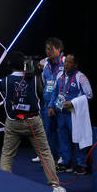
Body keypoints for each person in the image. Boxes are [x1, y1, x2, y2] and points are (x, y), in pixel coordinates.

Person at [0, 58, 60, 187]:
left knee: (7, 154)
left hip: (13, 122)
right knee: (45, 153)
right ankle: (54, 183)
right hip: (33, 122)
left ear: (10, 66)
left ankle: (4, 183)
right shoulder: (35, 79)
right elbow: (42, 94)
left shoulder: (5, 81)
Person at [52, 55, 93, 174]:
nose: (66, 65)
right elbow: (55, 92)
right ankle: (66, 163)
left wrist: (73, 103)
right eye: (65, 62)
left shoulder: (81, 77)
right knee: (63, 139)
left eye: (70, 63)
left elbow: (89, 95)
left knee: (79, 139)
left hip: (74, 114)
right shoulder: (60, 76)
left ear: (76, 65)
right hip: (61, 114)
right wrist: (51, 106)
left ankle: (81, 165)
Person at [34, 37, 65, 166]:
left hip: (61, 103)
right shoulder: (46, 64)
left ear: (58, 49)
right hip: (47, 103)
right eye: (46, 49)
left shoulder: (65, 62)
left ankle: (64, 158)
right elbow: (45, 81)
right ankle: (49, 158)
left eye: (50, 49)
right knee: (48, 132)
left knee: (62, 131)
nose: (47, 52)